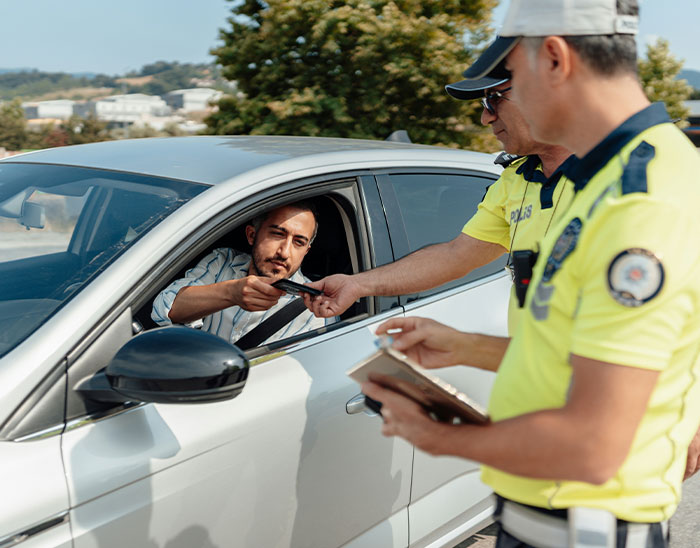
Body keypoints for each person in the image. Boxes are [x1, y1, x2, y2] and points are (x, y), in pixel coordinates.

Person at [363, 1, 700, 546]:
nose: (487, 111)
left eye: (508, 78)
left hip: (585, 526)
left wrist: (435, 436)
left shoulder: (639, 200)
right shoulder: (604, 177)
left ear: (553, 57)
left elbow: (592, 446)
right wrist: (466, 346)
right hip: (549, 517)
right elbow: (579, 357)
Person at [305, 73, 574, 342]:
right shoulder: (514, 180)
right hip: (535, 371)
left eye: (493, 100)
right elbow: (455, 256)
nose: (486, 118)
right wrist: (356, 284)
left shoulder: (611, 178)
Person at [152, 201, 332, 346]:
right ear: (252, 235)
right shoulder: (223, 262)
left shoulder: (313, 311)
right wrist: (231, 292)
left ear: (306, 251)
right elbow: (163, 309)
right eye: (277, 234)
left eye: (298, 242)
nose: (284, 252)